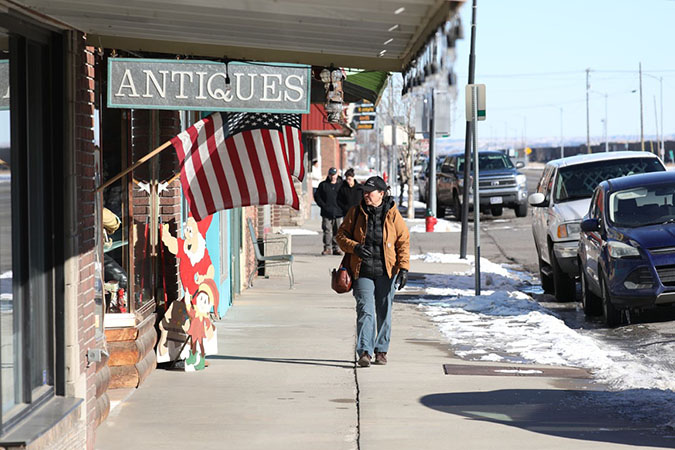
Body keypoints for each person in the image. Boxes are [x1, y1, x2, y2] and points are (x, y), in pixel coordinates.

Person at [336, 176, 410, 367]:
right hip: (362, 271)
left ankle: (381, 350)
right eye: (364, 192)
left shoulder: (393, 214)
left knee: (384, 312)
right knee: (365, 311)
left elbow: (403, 241)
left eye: (370, 192)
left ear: (381, 194)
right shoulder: (356, 212)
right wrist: (355, 247)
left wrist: (403, 268)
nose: (366, 195)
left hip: (387, 271)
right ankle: (365, 352)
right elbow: (341, 236)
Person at [315, 167, 344, 255]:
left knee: (338, 231)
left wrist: (343, 207)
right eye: (331, 175)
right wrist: (323, 206)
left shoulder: (342, 185)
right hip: (326, 212)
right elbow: (317, 197)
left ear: (337, 175)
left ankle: (337, 248)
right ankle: (327, 248)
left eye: (334, 175)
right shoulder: (323, 185)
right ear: (329, 175)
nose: (333, 177)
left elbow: (346, 196)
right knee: (327, 230)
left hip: (338, 212)